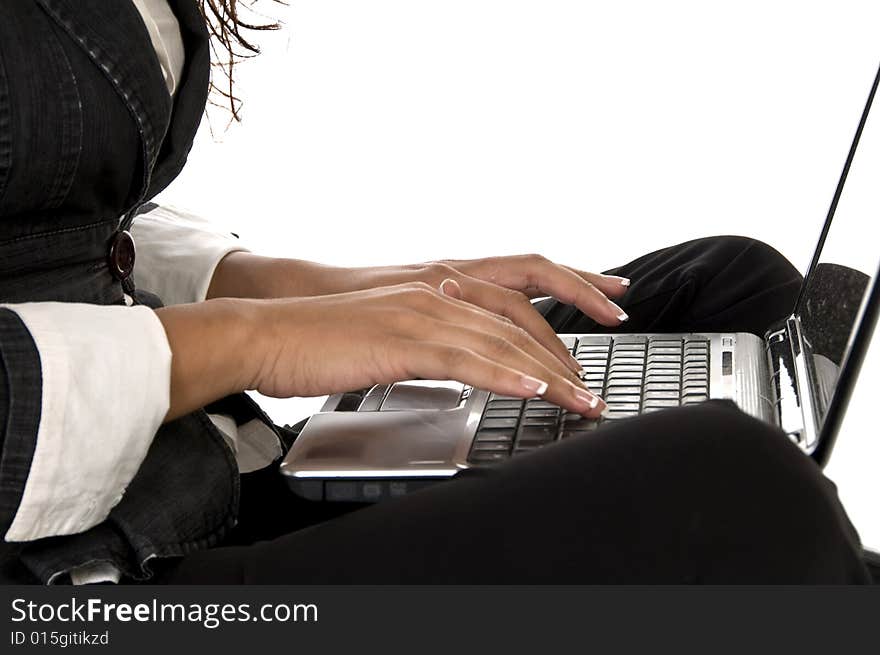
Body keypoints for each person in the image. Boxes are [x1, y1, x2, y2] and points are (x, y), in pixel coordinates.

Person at [0, 0, 870, 585]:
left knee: (725, 286)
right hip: (78, 570)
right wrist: (250, 339)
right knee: (733, 483)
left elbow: (70, 215)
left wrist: (320, 292)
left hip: (201, 460)